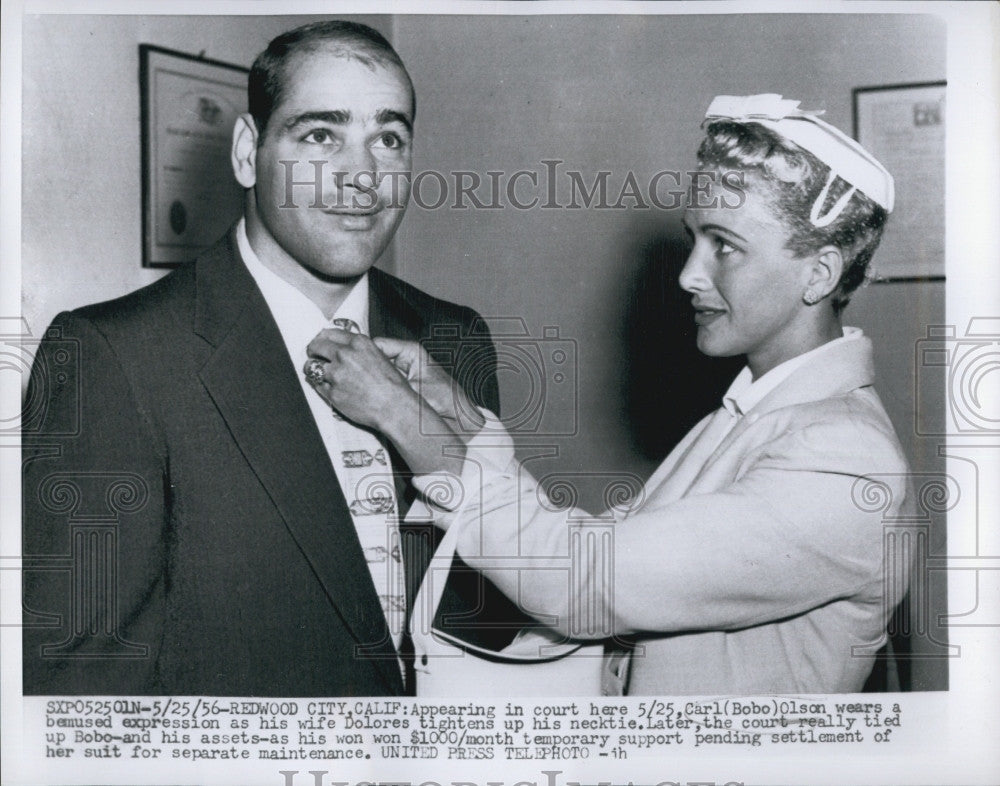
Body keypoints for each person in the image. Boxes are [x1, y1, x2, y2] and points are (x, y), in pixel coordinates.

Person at [307, 94, 914, 695]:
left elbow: (579, 583)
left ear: (820, 273)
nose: (688, 274)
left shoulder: (843, 459)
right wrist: (458, 420)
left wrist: (405, 422)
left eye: (724, 245)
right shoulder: (757, 412)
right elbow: (589, 548)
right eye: (694, 239)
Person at [22, 20, 524, 696]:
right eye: (321, 135)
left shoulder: (453, 338)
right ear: (247, 152)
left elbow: (487, 618)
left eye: (388, 139)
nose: (362, 178)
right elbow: (79, 698)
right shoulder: (112, 357)